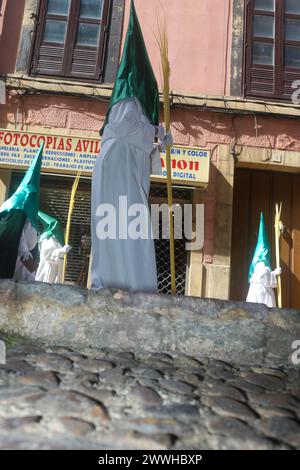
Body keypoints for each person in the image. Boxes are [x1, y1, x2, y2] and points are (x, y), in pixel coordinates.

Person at [91, 0, 172, 292]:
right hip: (118, 178)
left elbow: (141, 144)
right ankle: (118, 285)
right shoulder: (127, 99)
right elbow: (123, 130)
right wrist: (154, 133)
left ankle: (135, 286)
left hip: (129, 180)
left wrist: (158, 144)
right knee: (118, 237)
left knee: (131, 236)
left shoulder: (135, 107)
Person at [0, 144, 43, 280]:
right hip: (12, 268)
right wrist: (35, 273)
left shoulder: (27, 217)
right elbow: (21, 249)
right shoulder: (14, 214)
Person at [246, 212, 281, 308]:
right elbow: (263, 275)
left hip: (263, 291)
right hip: (260, 292)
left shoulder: (262, 263)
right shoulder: (259, 262)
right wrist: (274, 273)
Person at [35, 211, 71, 284]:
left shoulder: (58, 238)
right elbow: (46, 254)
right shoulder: (47, 238)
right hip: (48, 270)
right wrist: (61, 251)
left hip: (57, 269)